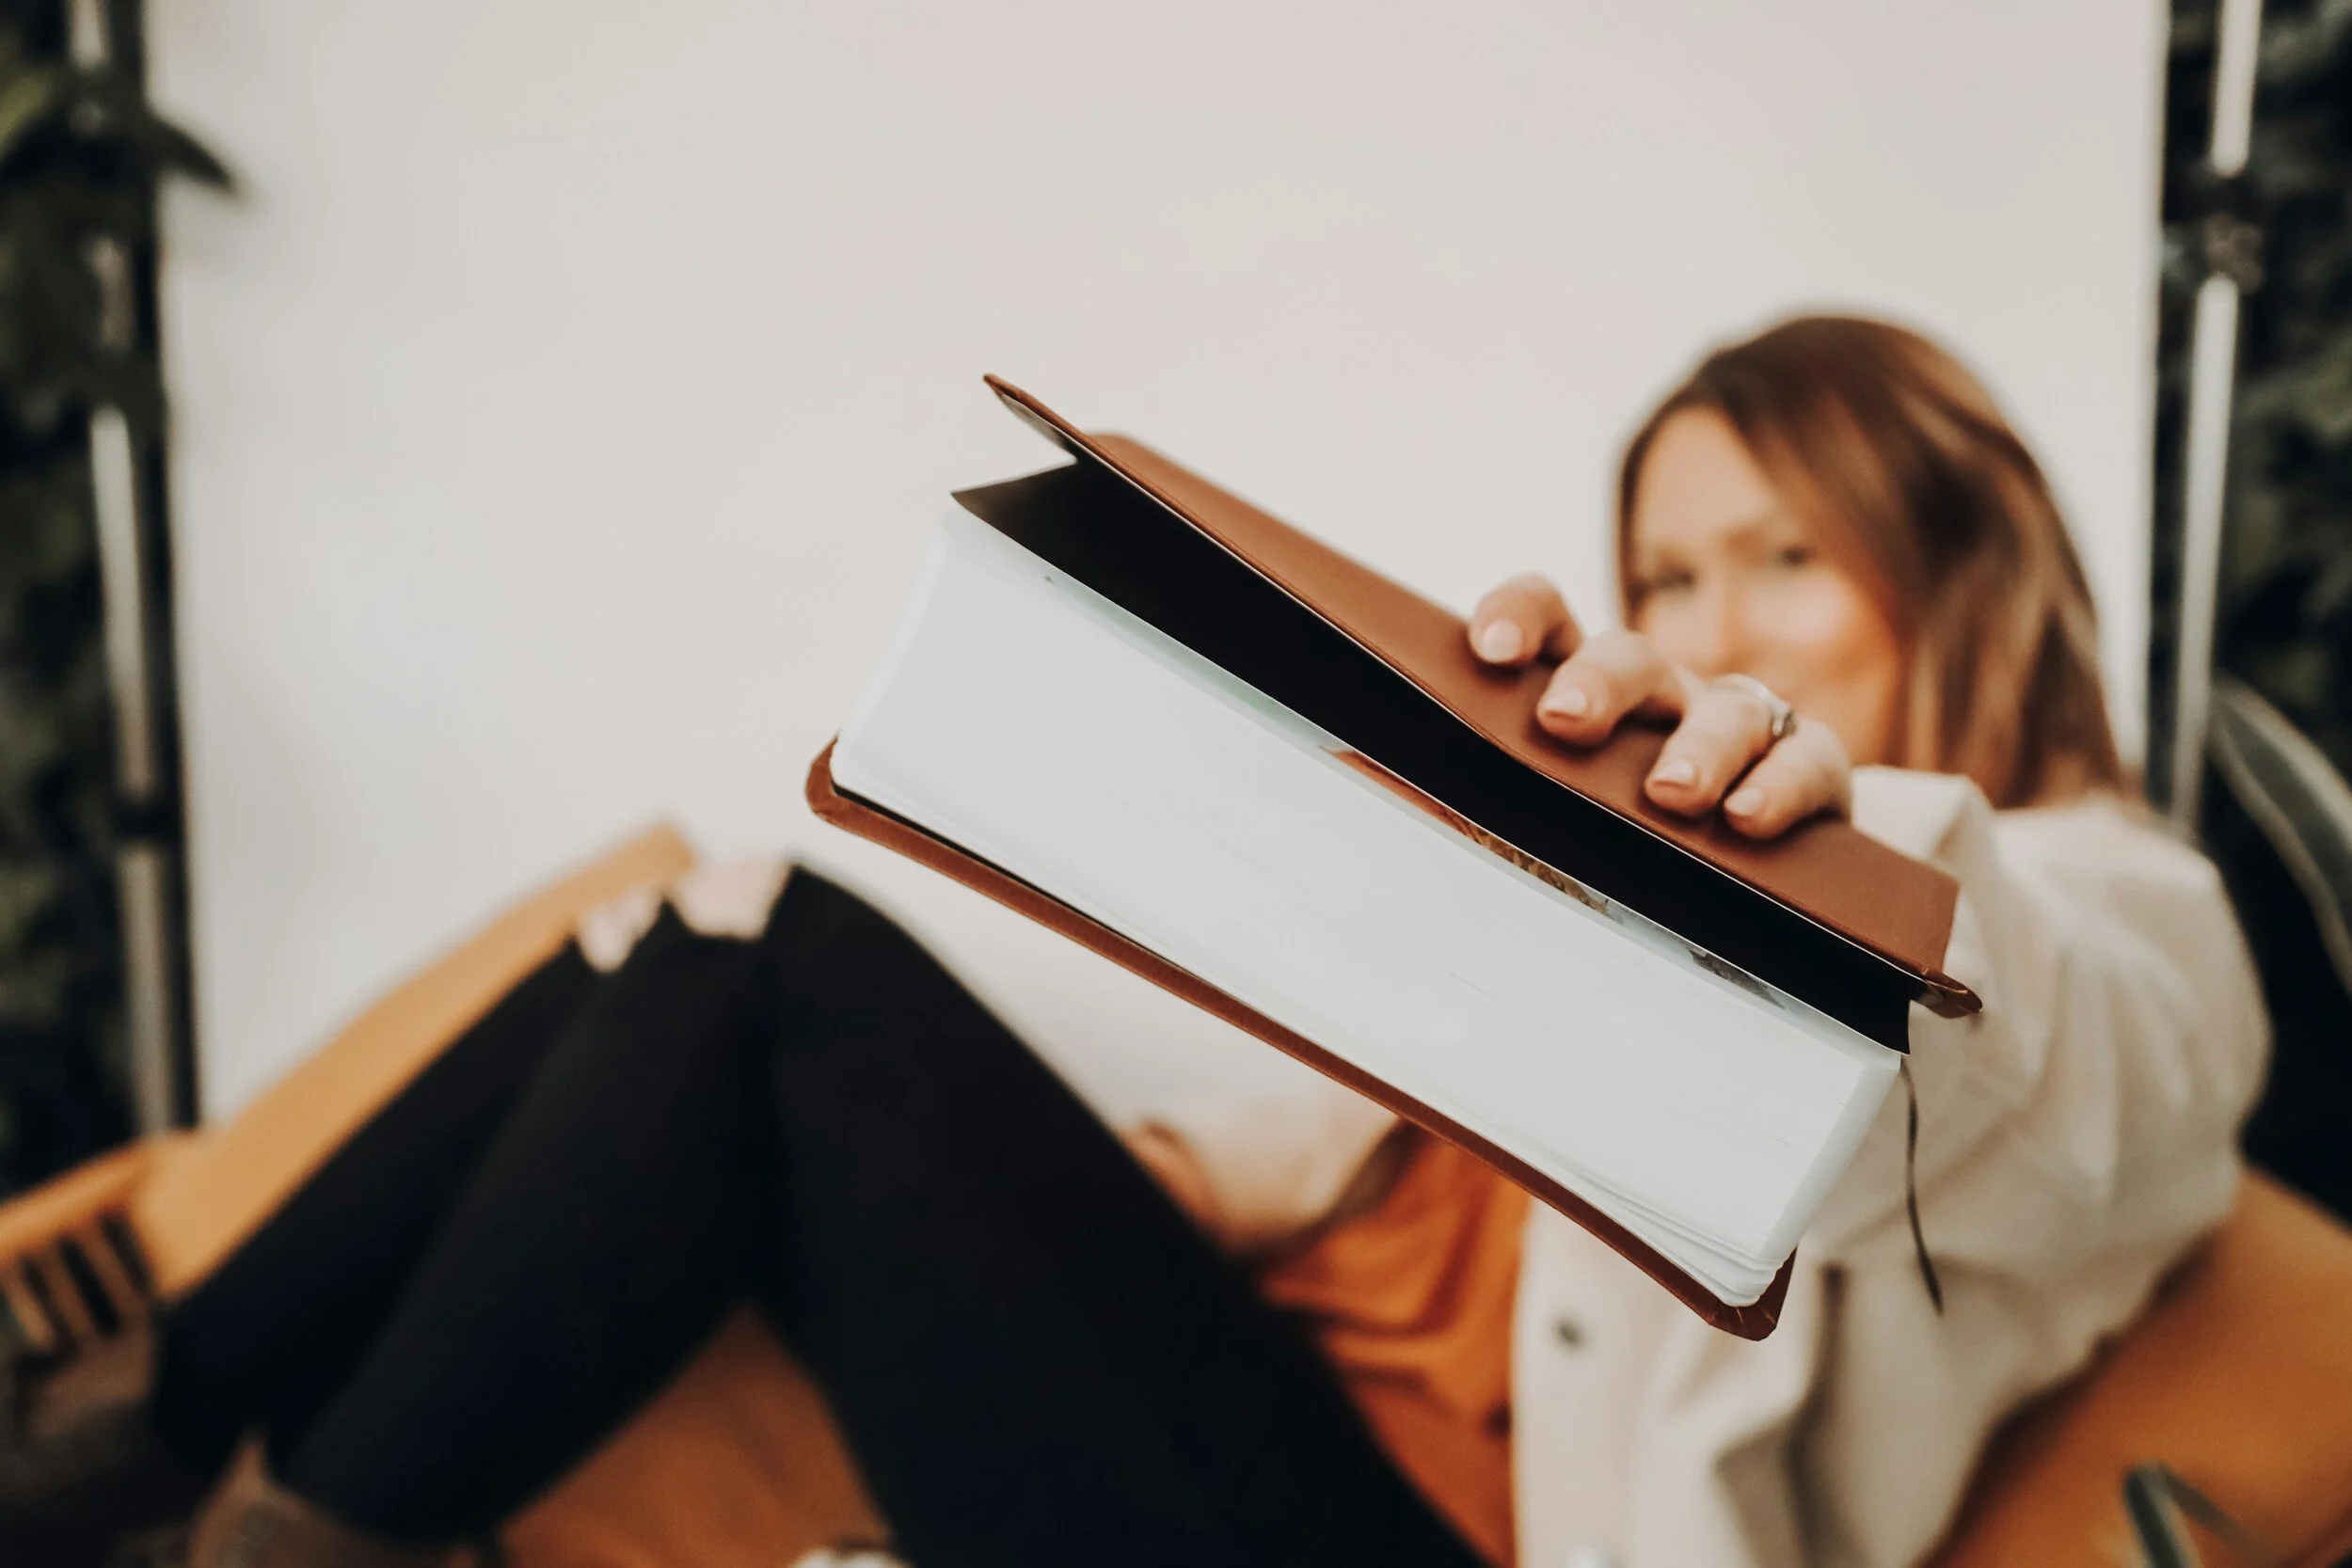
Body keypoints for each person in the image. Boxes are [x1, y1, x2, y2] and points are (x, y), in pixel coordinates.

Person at [95, 315, 2265, 1568]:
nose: (1702, 630)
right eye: (1665, 576)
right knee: (688, 941)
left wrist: (1852, 877)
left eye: (1783, 555)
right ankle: (111, 1433)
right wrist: (1158, 1170)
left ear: (1963, 565)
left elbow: (2072, 1084)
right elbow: (1350, 1155)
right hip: (1213, 1399)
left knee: (773, 981)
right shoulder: (1628, 889)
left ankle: (141, 1467)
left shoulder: (2105, 904)